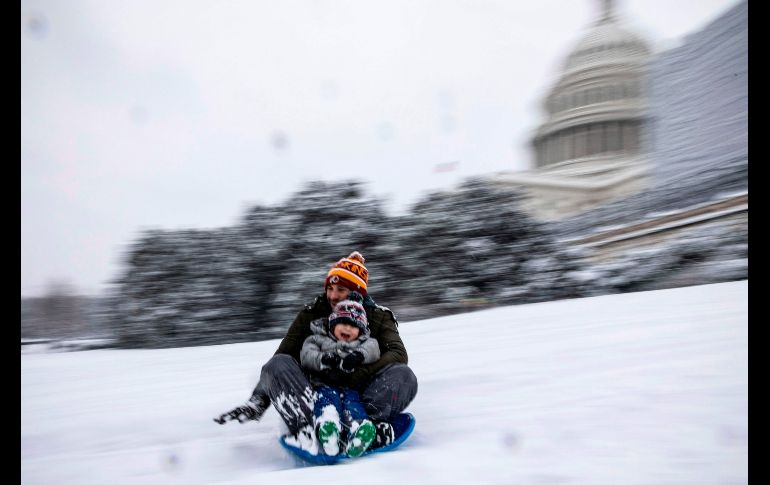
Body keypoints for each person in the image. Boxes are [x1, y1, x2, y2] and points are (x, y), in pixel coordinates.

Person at [214, 251, 418, 453]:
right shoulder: (311, 313)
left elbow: (398, 354)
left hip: (361, 391)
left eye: (341, 289)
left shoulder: (379, 317)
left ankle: (366, 427)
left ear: (357, 292)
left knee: (404, 375)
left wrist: (356, 372)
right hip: (317, 391)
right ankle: (310, 428)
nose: (333, 295)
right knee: (278, 365)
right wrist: (258, 401)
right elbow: (282, 358)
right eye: (330, 288)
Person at [300, 291, 381, 457]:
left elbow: (373, 348)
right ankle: (328, 428)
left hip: (351, 386)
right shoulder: (319, 338)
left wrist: (358, 355)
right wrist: (324, 359)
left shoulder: (363, 342)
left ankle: (359, 431)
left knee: (353, 405)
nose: (347, 328)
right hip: (323, 384)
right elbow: (307, 355)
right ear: (332, 323)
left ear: (360, 331)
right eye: (342, 323)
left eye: (353, 326)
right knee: (326, 401)